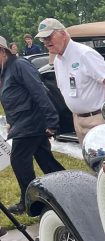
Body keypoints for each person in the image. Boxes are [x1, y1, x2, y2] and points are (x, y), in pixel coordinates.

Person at [0, 36, 64, 215]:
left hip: (31, 122)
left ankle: (33, 203)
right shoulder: (5, 71)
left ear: (2, 51)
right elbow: (11, 99)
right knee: (46, 160)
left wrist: (52, 121)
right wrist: (11, 122)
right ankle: (66, 189)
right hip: (23, 123)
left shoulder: (19, 65)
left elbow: (39, 91)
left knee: (19, 160)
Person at [39, 18, 105, 143]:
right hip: (78, 120)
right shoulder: (58, 60)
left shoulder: (85, 54)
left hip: (98, 119)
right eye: (43, 39)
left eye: (49, 37)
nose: (46, 42)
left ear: (63, 34)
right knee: (91, 161)